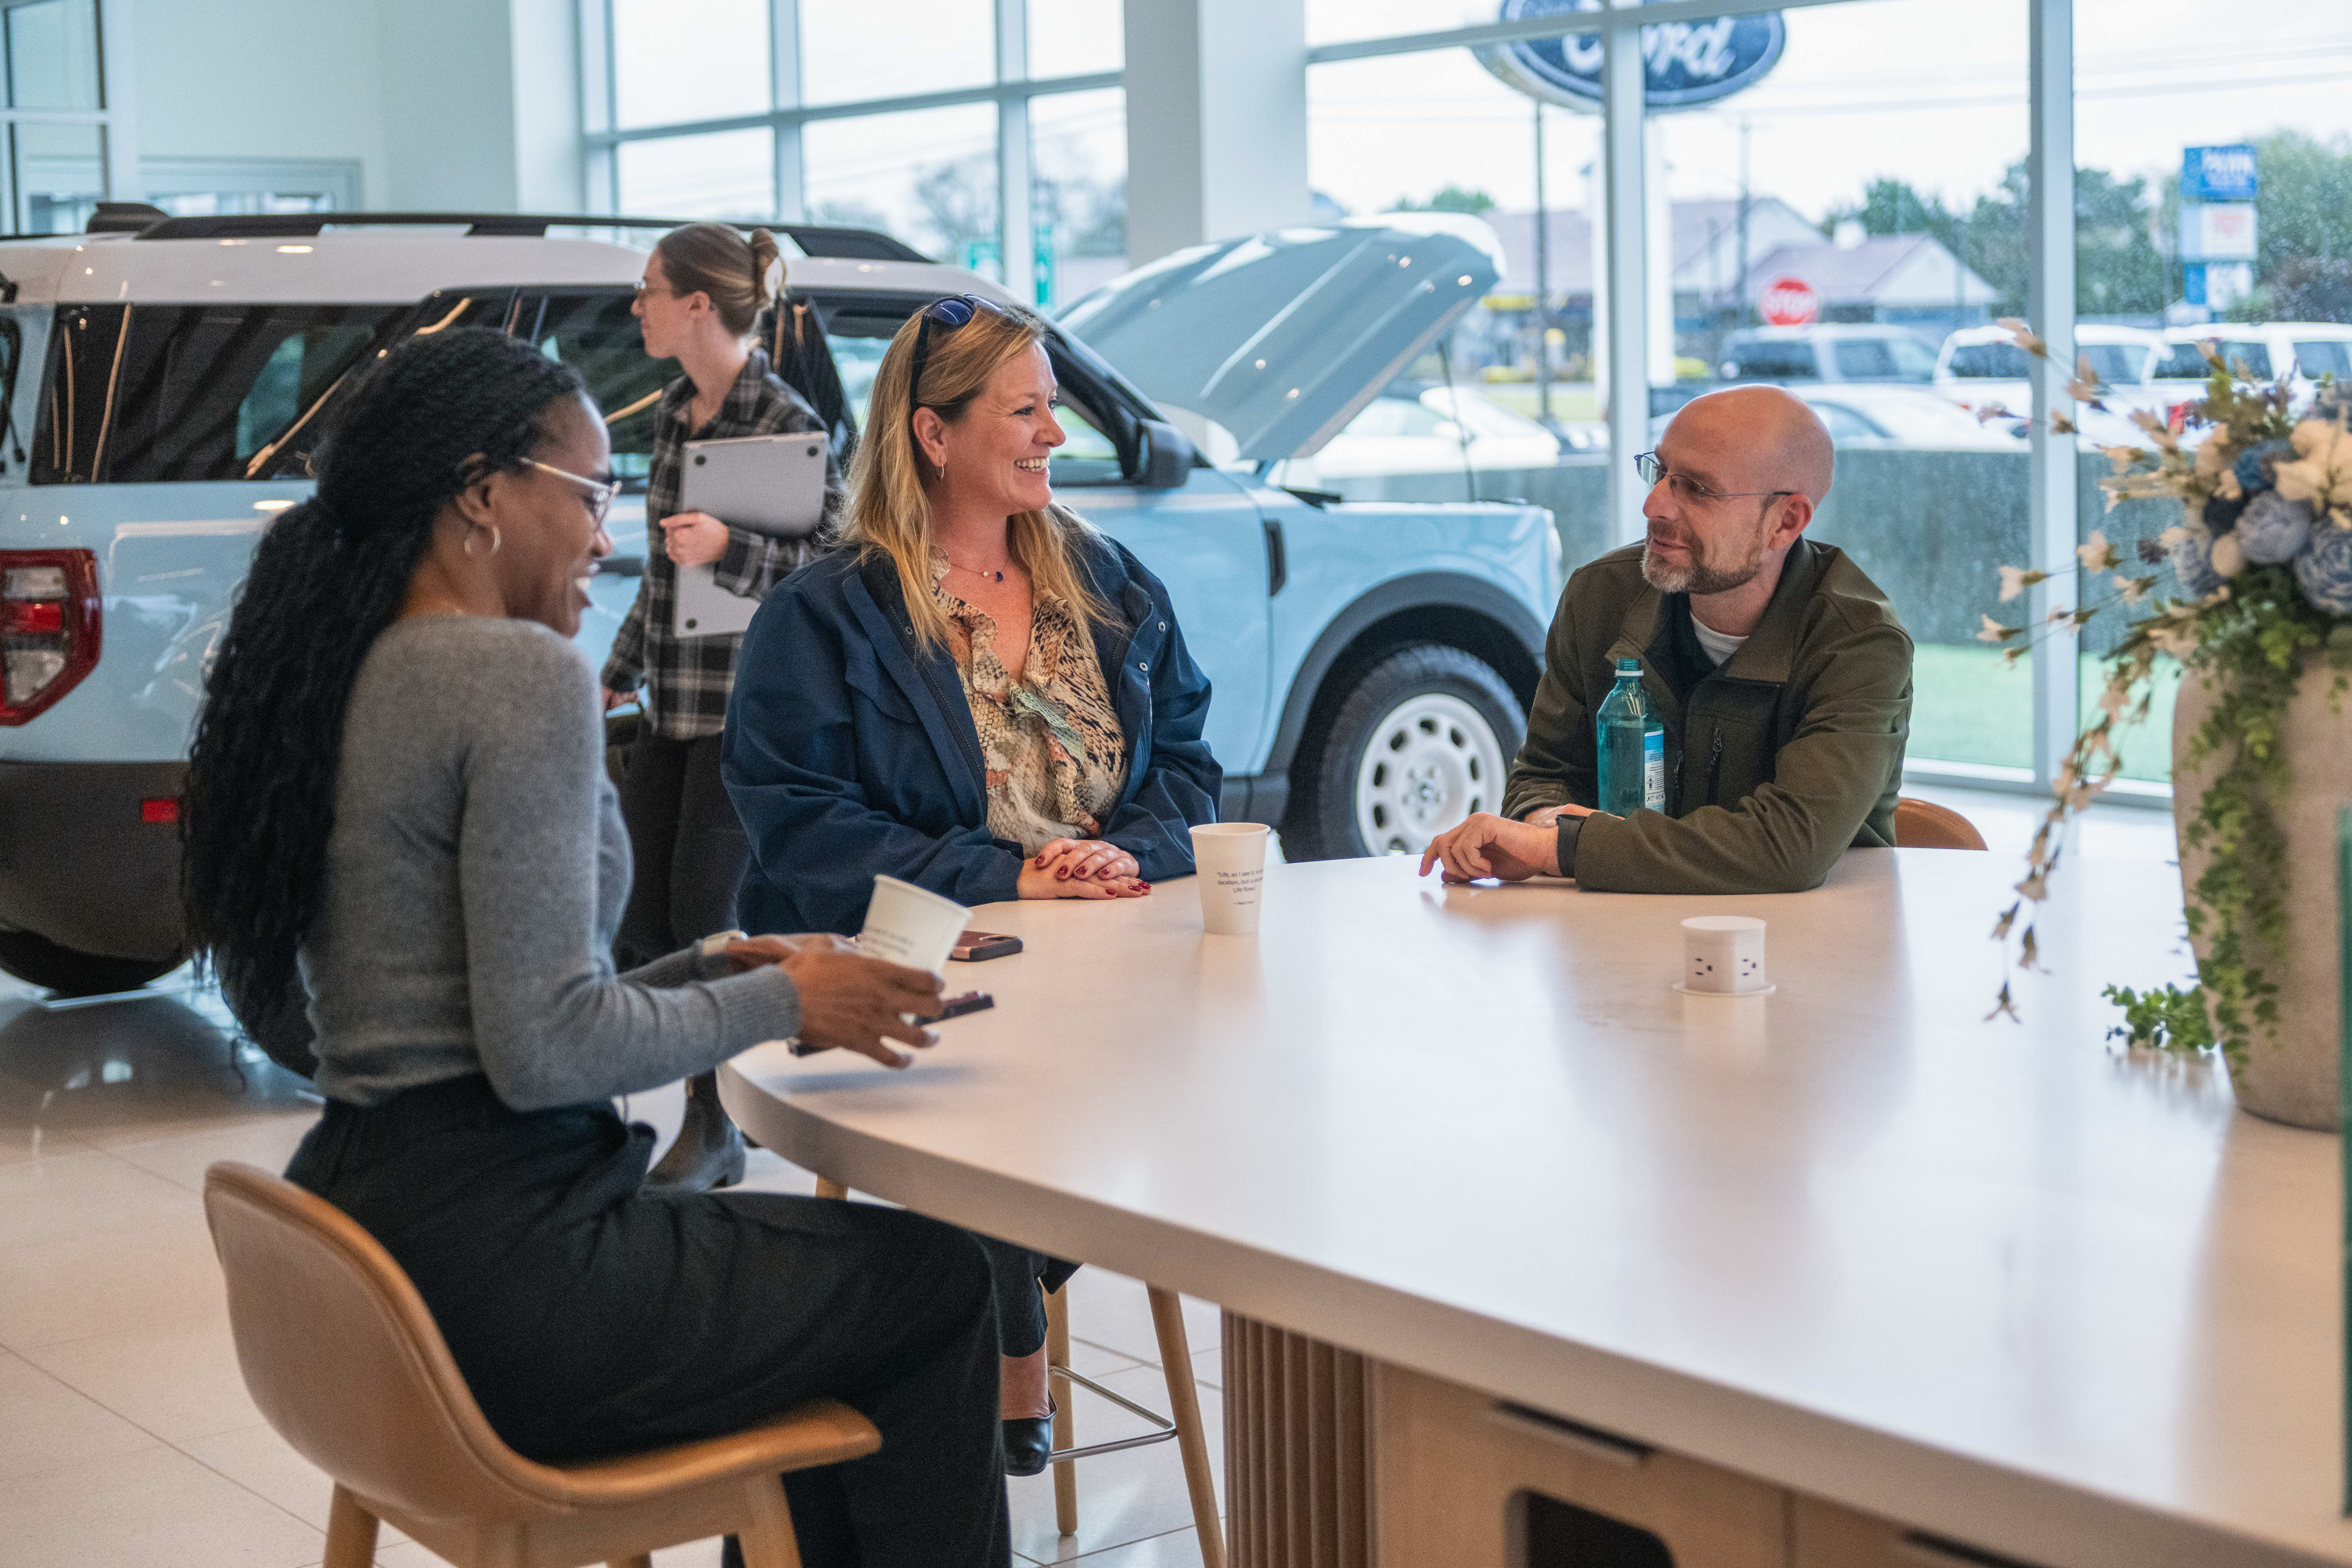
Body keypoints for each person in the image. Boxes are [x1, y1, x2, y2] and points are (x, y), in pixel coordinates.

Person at [181, 327, 1011, 1568]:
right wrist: (786, 996)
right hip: (514, 1276)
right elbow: (543, 1047)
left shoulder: (346, 669)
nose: (609, 538)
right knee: (938, 1287)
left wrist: (713, 965)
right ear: (482, 494)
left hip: (377, 1233)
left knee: (852, 1317)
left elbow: (471, 1009)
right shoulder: (515, 676)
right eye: (593, 493)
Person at [723, 293, 1220, 1475]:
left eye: (1055, 409)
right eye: (1027, 411)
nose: (1056, 434)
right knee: (1002, 1092)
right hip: (925, 962)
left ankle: (1011, 1301)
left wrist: (1126, 851)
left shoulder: (1112, 587)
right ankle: (1010, 1344)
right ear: (934, 437)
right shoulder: (825, 617)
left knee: (1220, 1075)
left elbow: (1192, 761)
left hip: (1120, 961)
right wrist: (1010, 877)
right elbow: (799, 826)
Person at [1420, 385, 1912, 893]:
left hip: (1813, 946)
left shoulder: (1859, 643)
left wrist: (1560, 847)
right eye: (1660, 473)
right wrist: (1544, 823)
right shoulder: (1600, 597)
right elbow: (1546, 773)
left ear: (1785, 522)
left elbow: (1789, 845)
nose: (1654, 505)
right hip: (1615, 931)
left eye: (1697, 489)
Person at [602, 222, 847, 1195]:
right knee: (644, 918)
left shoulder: (783, 419)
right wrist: (620, 665)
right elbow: (664, 570)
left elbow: (832, 570)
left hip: (747, 713)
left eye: (651, 290)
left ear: (699, 304)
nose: (638, 308)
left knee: (708, 917)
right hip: (673, 701)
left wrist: (730, 549)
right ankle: (703, 1110)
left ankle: (716, 1125)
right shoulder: (673, 413)